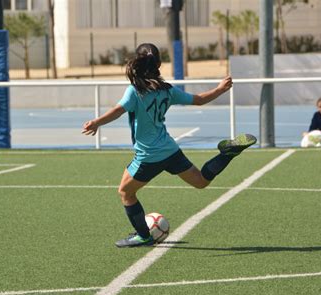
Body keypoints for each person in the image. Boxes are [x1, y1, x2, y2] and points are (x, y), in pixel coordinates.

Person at [82, 43, 256, 248]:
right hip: (170, 150)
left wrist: (96, 123)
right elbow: (198, 100)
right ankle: (226, 154)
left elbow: (118, 110)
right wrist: (219, 89)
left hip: (147, 156)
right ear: (159, 64)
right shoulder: (167, 90)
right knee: (201, 181)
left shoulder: (135, 91)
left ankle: (143, 236)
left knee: (126, 193)